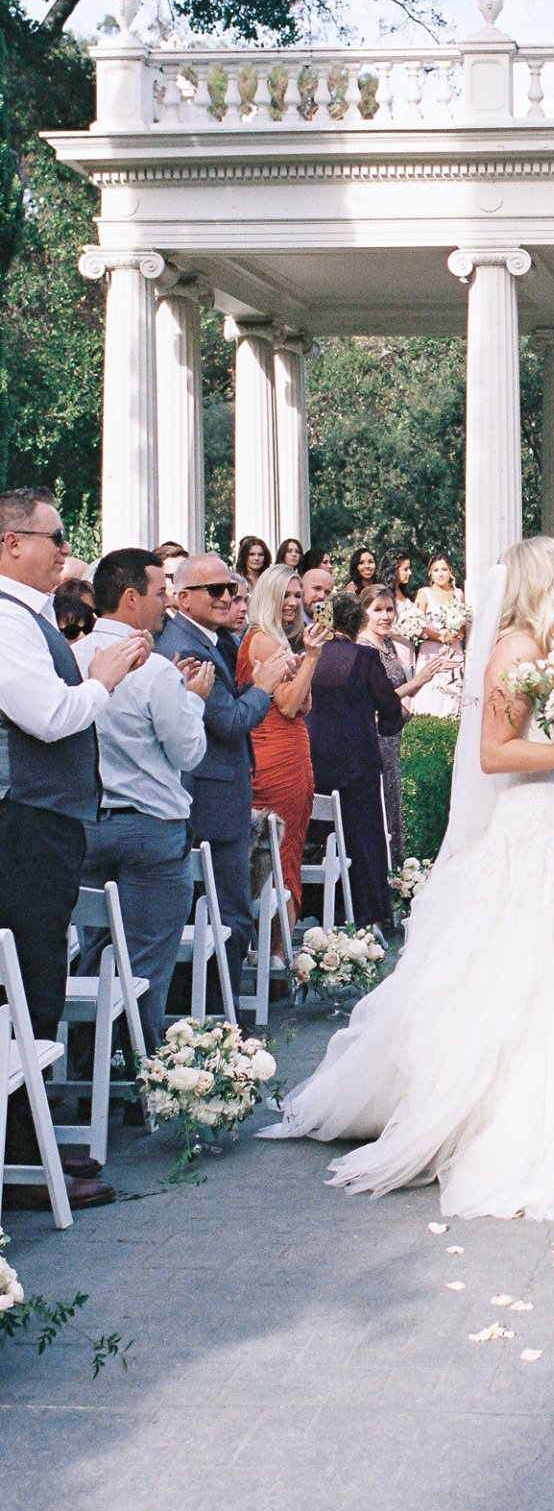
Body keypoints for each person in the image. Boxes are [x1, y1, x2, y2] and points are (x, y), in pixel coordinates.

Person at [261, 538, 554, 1220]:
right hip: (536, 827)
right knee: (525, 978)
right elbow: (493, 754)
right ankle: (513, 1120)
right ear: (542, 580)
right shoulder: (512, 650)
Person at [0, 486, 149, 1213]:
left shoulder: (28, 617)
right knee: (26, 985)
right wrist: (102, 682)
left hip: (41, 822)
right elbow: (51, 717)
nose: (65, 550)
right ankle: (21, 1153)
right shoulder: (4, 621)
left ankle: (29, 1136)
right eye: (53, 537)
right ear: (10, 543)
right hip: (21, 823)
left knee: (39, 983)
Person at [74, 549, 210, 1048]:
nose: (168, 603)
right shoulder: (153, 669)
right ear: (130, 598)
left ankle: (89, 1067)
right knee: (148, 959)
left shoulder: (69, 657)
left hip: (83, 826)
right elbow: (188, 752)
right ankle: (141, 1075)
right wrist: (194, 699)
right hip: (149, 828)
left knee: (91, 949)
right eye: (159, 593)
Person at [156, 555, 292, 993]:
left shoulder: (210, 639)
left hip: (217, 792)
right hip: (210, 798)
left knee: (223, 912)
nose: (227, 598)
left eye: (231, 590)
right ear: (183, 597)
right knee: (228, 913)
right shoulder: (188, 646)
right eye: (214, 591)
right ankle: (223, 1022)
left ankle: (215, 1016)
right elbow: (230, 721)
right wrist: (265, 686)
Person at [237, 565, 327, 957]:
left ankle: (274, 960)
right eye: (285, 596)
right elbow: (291, 705)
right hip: (278, 758)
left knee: (280, 857)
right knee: (281, 859)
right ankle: (276, 962)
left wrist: (304, 661)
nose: (292, 603)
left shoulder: (270, 642)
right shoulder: (265, 643)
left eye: (296, 595)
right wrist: (311, 657)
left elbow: (304, 701)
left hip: (282, 753)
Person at [305, 593, 405, 930]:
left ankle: (321, 910)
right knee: (362, 838)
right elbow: (389, 706)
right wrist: (390, 725)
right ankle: (367, 912)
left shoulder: (308, 657)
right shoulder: (363, 658)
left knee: (319, 833)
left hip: (313, 760)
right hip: (357, 761)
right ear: (357, 622)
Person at [357, 584, 451, 868]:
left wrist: (420, 682)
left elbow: (398, 691)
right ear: (364, 613)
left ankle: (395, 874)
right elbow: (374, 699)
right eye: (377, 610)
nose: (385, 616)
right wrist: (418, 681)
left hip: (392, 735)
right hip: (373, 737)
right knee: (378, 809)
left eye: (389, 609)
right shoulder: (362, 649)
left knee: (393, 803)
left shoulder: (389, 644)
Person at [412, 553, 466, 717]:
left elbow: (464, 627)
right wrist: (439, 636)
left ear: (450, 571)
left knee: (452, 695)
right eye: (436, 570)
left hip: (454, 651)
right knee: (430, 696)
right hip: (431, 652)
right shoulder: (424, 593)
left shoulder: (458, 594)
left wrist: (457, 633)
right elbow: (416, 625)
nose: (440, 574)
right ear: (430, 573)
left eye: (444, 569)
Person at [154, 542, 188, 614]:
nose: (185, 583)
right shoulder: (152, 623)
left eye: (188, 576)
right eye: (176, 577)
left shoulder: (205, 621)